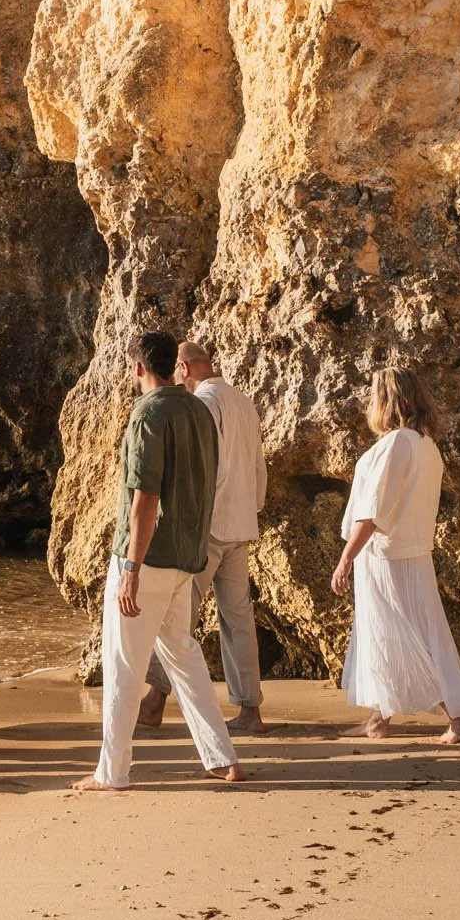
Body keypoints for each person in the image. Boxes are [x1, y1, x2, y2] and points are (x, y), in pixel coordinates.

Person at [73, 331, 244, 794]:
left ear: (138, 368)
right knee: (183, 656)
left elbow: (145, 496)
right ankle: (221, 756)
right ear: (174, 365)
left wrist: (130, 568)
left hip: (147, 559)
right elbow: (209, 482)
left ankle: (112, 772)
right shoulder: (198, 410)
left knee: (123, 663)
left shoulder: (148, 413)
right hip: (185, 557)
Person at [332, 365, 460, 745]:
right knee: (390, 636)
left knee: (410, 636)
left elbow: (375, 509)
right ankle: (378, 719)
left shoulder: (398, 443)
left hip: (388, 556)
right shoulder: (423, 444)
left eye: (372, 396)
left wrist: (346, 557)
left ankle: (458, 716)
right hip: (408, 553)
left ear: (386, 401)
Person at [137, 342, 270, 738]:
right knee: (238, 618)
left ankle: (154, 701)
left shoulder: (204, 403)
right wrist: (252, 507)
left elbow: (207, 467)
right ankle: (250, 708)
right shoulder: (243, 402)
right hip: (242, 524)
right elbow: (258, 465)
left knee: (176, 614)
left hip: (209, 526)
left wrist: (191, 518)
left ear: (182, 367)